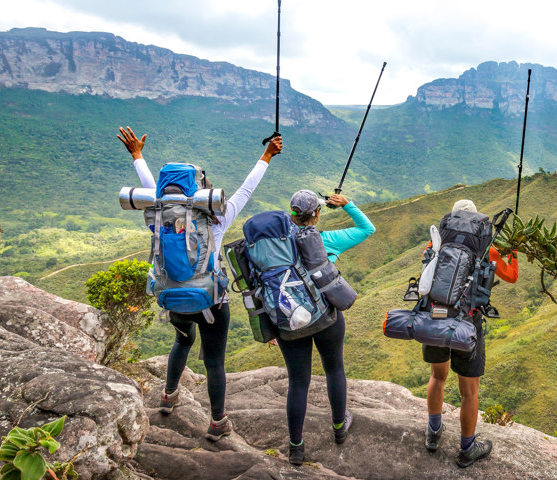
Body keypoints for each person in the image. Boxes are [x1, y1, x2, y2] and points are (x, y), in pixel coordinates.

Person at [117, 126, 283, 441]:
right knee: (214, 361)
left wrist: (137, 154)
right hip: (211, 303)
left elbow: (149, 185)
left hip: (172, 298)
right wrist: (267, 155)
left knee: (182, 341)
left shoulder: (158, 211)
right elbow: (246, 190)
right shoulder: (217, 219)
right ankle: (217, 422)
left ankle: (168, 395)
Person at [277, 189, 375, 465]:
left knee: (298, 382)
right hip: (326, 317)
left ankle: (296, 448)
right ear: (317, 215)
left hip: (290, 320)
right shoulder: (325, 240)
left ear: (292, 213)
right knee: (334, 368)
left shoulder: (275, 247)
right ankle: (339, 427)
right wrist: (347, 204)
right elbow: (367, 229)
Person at [423, 199, 518, 468]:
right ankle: (467, 448)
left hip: (435, 316)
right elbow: (511, 276)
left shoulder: (436, 243)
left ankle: (433, 432)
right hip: (467, 321)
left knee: (437, 377)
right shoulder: (486, 248)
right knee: (469, 391)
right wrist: (514, 251)